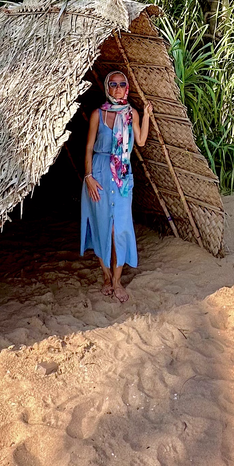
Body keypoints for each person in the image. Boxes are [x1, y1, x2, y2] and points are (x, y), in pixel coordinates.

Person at [80, 70, 152, 302]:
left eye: (122, 84)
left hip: (122, 176)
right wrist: (88, 176)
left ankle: (117, 280)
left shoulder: (131, 114)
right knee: (101, 226)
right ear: (107, 87)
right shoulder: (98, 114)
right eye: (114, 84)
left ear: (126, 88)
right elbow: (89, 147)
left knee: (118, 229)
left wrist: (147, 116)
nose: (118, 88)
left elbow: (140, 141)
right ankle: (106, 276)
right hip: (99, 174)